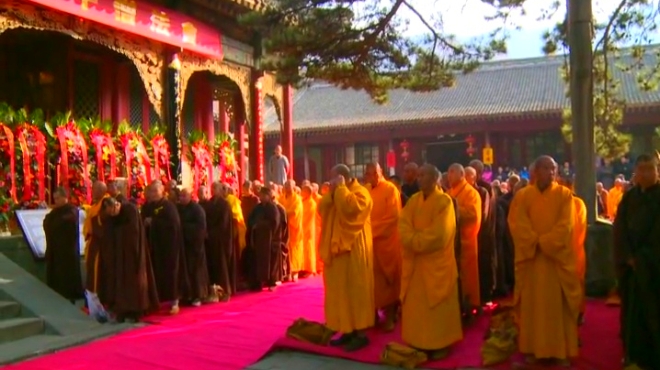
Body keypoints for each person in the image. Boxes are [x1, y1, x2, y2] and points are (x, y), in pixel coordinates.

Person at [508, 155, 580, 365]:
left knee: (557, 309)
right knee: (532, 309)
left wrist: (544, 242)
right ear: (535, 171)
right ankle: (531, 348)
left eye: (553, 168)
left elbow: (566, 226)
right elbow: (516, 223)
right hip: (532, 260)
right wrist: (534, 242)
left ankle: (560, 351)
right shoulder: (522, 196)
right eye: (546, 168)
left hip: (555, 261)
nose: (550, 172)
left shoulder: (565, 195)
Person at [398, 164, 462, 359]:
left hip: (436, 264)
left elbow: (440, 235)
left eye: (423, 175)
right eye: (418, 175)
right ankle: (417, 340)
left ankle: (440, 343)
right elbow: (403, 225)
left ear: (435, 179)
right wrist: (412, 240)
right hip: (416, 263)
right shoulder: (414, 201)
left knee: (437, 306)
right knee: (417, 306)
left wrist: (415, 241)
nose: (419, 178)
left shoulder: (444, 202)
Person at [320, 164, 374, 352]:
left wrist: (341, 190)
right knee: (341, 293)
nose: (331, 182)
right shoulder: (337, 193)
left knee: (356, 292)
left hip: (354, 251)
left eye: (334, 178)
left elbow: (351, 211)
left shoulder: (361, 193)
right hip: (338, 253)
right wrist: (334, 192)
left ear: (342, 177)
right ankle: (347, 329)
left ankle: (361, 334)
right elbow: (322, 209)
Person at [613, 154, 660, 370]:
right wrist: (628, 257)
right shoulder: (629, 198)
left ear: (657, 170)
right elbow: (619, 230)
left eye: (650, 168)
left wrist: (643, 258)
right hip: (631, 268)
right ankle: (633, 355)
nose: (645, 173)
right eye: (641, 169)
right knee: (632, 314)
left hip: (654, 269)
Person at [101, 197, 159, 322]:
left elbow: (133, 232)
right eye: (109, 213)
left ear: (116, 205)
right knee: (120, 282)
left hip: (133, 253)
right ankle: (122, 309)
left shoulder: (130, 210)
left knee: (134, 282)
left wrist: (118, 235)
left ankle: (136, 309)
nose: (112, 215)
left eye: (112, 211)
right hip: (119, 255)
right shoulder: (112, 217)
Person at [364, 162, 402, 332]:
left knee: (388, 280)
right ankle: (371, 314)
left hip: (386, 243)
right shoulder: (365, 190)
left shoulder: (390, 189)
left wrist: (370, 230)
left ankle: (390, 316)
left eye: (376, 172)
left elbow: (393, 217)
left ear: (382, 172)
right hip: (369, 245)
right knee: (370, 282)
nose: (373, 176)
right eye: (370, 173)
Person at [143, 181, 188, 314]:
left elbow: (173, 225)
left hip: (169, 247)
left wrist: (154, 222)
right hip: (155, 246)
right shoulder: (150, 206)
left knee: (171, 274)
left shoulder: (168, 206)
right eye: (151, 191)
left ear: (162, 192)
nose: (153, 194)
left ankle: (175, 301)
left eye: (155, 191)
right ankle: (157, 300)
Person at [447, 164, 482, 310]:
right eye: (448, 173)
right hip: (452, 242)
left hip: (466, 241)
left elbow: (473, 215)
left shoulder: (471, 193)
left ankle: (471, 306)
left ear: (462, 174)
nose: (449, 176)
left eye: (452, 172)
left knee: (467, 277)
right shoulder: (451, 192)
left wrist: (454, 210)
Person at [43, 187, 83, 303]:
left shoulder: (72, 210)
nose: (56, 201)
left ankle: (71, 297)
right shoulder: (55, 212)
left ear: (65, 197)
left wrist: (55, 224)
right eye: (54, 198)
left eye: (58, 198)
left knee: (67, 276)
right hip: (55, 249)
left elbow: (64, 221)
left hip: (67, 251)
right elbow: (47, 221)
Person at [244, 187, 283, 291]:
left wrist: (260, 225)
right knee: (257, 262)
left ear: (268, 196)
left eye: (262, 195)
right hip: (258, 240)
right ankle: (258, 283)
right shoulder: (257, 208)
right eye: (260, 195)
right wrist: (253, 226)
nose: (260, 197)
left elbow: (274, 223)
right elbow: (250, 219)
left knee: (271, 262)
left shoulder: (273, 208)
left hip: (270, 241)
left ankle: (272, 282)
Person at [177, 188, 209, 306]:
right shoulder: (178, 208)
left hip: (195, 245)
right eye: (180, 196)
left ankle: (198, 295)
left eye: (184, 196)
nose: (181, 198)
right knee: (185, 271)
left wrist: (184, 227)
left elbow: (201, 227)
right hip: (183, 245)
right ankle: (187, 295)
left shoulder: (197, 209)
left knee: (196, 271)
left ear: (190, 196)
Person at [204, 182, 235, 301]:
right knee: (212, 266)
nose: (213, 190)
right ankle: (213, 292)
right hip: (210, 240)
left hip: (221, 240)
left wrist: (211, 233)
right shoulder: (209, 203)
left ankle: (225, 291)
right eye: (212, 188)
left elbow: (224, 224)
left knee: (222, 266)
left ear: (221, 190)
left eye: (215, 188)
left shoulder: (224, 205)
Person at [83, 181, 109, 294]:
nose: (92, 192)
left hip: (101, 245)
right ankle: (91, 300)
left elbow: (102, 224)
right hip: (93, 242)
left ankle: (97, 299)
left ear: (102, 191)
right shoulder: (95, 205)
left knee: (98, 273)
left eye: (94, 189)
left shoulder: (105, 204)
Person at [279, 180, 304, 281]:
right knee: (285, 249)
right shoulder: (281, 197)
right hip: (284, 227)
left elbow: (295, 212)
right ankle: (286, 271)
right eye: (286, 185)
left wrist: (283, 213)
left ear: (294, 186)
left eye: (289, 185)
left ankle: (295, 271)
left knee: (294, 250)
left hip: (294, 228)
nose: (287, 187)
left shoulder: (297, 199)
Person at [300, 185, 318, 276]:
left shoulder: (312, 203)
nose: (302, 192)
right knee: (304, 249)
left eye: (303, 191)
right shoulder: (303, 201)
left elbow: (307, 216)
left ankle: (311, 270)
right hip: (302, 228)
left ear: (308, 192)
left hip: (308, 228)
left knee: (309, 249)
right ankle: (304, 268)